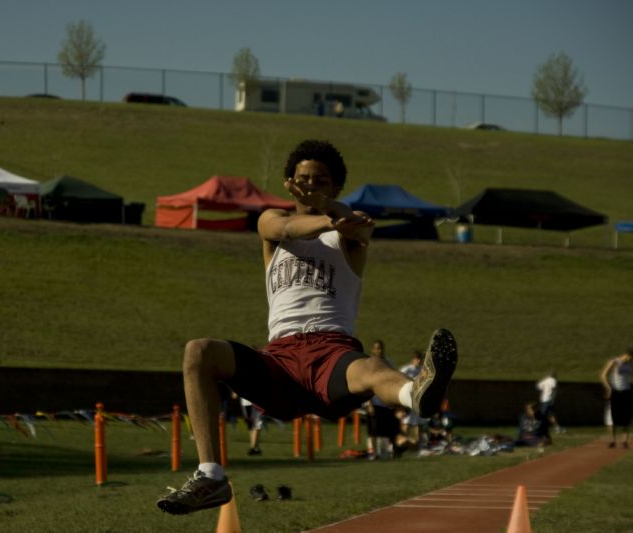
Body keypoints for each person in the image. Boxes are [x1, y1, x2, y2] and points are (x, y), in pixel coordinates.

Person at [157, 139, 458, 515]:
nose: (311, 186)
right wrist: (327, 215)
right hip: (279, 360)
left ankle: (416, 394)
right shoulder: (273, 223)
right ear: (289, 183)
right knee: (198, 351)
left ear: (336, 187)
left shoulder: (349, 233)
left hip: (331, 353)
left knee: (370, 369)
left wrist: (335, 216)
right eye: (304, 179)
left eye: (321, 181)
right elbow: (285, 227)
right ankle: (211, 476)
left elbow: (359, 231)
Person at [600, 348, 632, 449]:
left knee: (626, 416)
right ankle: (612, 440)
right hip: (615, 391)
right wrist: (609, 388)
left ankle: (625, 441)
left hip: (626, 391)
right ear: (627, 355)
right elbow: (603, 375)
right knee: (611, 416)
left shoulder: (630, 364)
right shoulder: (615, 362)